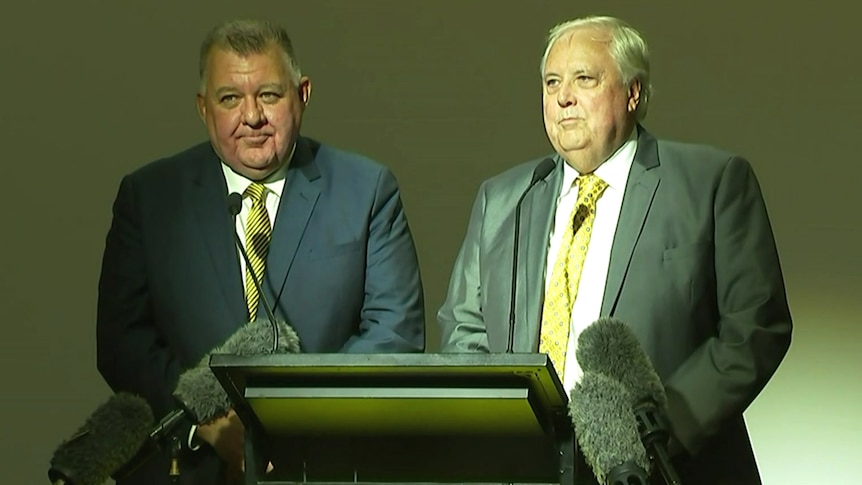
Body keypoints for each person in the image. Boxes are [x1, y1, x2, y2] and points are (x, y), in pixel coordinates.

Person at [437, 15, 791, 485]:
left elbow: (756, 327)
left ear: (634, 93)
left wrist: (653, 434)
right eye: (551, 82)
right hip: (527, 465)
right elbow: (465, 328)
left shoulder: (712, 183)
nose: (563, 97)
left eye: (584, 79)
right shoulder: (502, 200)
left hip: (666, 465)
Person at [96, 19, 425, 485]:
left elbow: (396, 334)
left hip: (322, 465)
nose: (251, 116)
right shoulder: (149, 197)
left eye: (269, 95)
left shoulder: (367, 190)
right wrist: (206, 423)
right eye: (230, 98)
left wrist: (296, 422)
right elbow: (122, 344)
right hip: (185, 468)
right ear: (203, 108)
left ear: (303, 94)